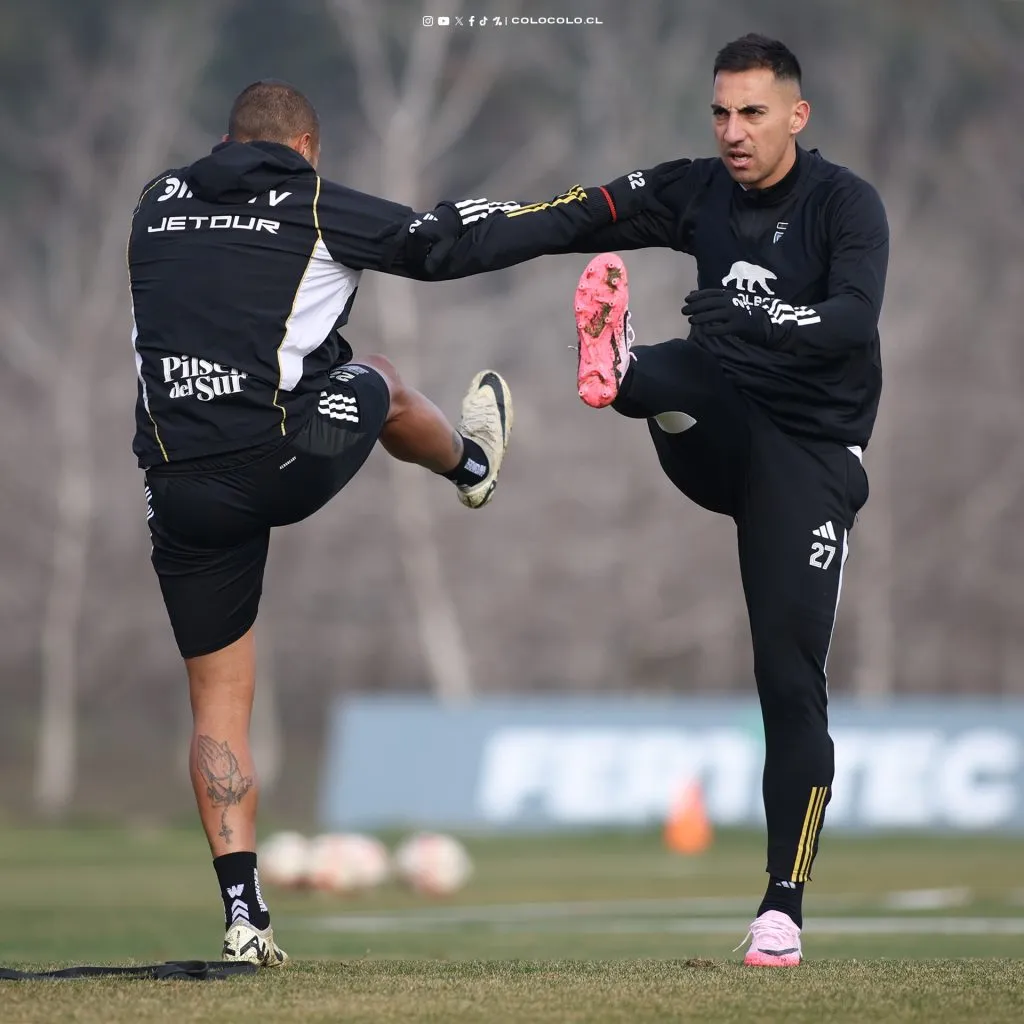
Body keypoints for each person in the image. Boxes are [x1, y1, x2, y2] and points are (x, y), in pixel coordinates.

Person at [407, 33, 888, 967]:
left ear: (798, 115)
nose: (733, 132)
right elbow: (572, 216)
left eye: (752, 113)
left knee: (791, 685)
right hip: (710, 433)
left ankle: (781, 908)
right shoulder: (697, 188)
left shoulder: (845, 205)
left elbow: (854, 320)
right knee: (683, 368)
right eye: (720, 112)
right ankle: (619, 367)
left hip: (812, 462)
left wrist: (761, 312)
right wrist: (441, 244)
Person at [127, 80, 518, 966]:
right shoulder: (311, 198)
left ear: (227, 140)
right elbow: (435, 246)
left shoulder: (155, 200)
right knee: (377, 373)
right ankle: (474, 465)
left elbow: (213, 305)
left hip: (178, 479)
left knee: (219, 706)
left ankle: (244, 919)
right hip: (275, 462)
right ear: (305, 146)